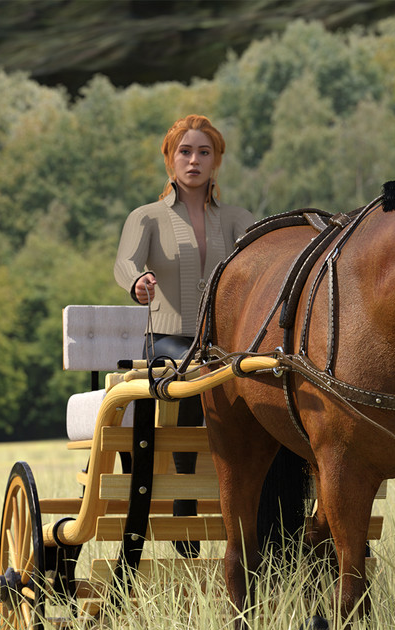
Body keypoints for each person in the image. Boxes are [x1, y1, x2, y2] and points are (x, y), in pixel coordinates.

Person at [114, 114, 255, 556]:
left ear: (216, 162)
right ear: (170, 160)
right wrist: (138, 282)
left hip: (223, 342)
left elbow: (262, 257)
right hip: (169, 342)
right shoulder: (147, 217)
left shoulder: (236, 218)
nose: (194, 160)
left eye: (204, 152)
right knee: (193, 376)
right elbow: (124, 264)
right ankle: (184, 499)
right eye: (185, 152)